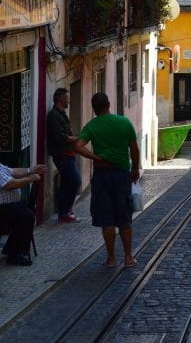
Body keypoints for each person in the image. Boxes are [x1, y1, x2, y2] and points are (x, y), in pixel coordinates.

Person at [74, 93, 141, 268]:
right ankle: (128, 257)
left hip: (102, 175)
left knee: (107, 219)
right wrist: (135, 168)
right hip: (121, 174)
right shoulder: (124, 122)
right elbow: (134, 149)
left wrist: (95, 157)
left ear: (93, 108)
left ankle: (111, 258)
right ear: (109, 104)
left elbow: (78, 146)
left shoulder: (92, 126)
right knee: (124, 217)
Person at [0, 136, 47, 266]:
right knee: (26, 216)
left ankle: (13, 249)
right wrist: (30, 178)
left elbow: (11, 172)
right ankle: (15, 255)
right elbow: (9, 184)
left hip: (3, 206)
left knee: (27, 212)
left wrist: (30, 170)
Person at [46, 88, 80, 223]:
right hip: (62, 155)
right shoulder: (54, 116)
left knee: (66, 183)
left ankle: (64, 212)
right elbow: (58, 137)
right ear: (61, 99)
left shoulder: (61, 114)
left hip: (68, 154)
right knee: (75, 181)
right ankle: (65, 211)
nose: (69, 100)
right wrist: (74, 139)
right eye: (67, 98)